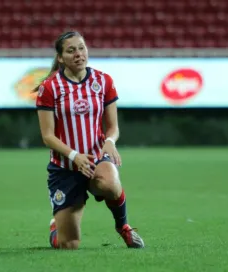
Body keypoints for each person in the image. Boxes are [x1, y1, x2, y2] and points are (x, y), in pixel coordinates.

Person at [35, 30, 144, 250]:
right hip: (65, 167)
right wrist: (75, 156)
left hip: (96, 159)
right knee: (69, 245)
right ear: (60, 57)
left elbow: (112, 128)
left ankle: (123, 227)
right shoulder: (49, 87)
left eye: (81, 48)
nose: (78, 54)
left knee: (110, 183)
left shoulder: (103, 81)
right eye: (71, 50)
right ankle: (57, 228)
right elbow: (47, 136)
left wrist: (110, 142)